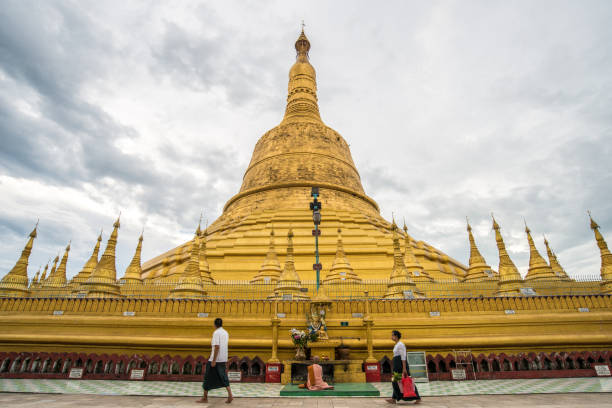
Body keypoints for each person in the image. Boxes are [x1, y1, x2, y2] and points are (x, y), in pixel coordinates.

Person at [198, 318, 233, 404]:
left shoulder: (216, 333)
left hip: (216, 359)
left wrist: (213, 360)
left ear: (215, 324)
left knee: (207, 377)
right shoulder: (225, 332)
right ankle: (230, 395)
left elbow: (217, 347)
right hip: (223, 358)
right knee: (223, 376)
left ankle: (205, 398)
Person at [386, 330, 421, 404]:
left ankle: (417, 397)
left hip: (401, 365)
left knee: (406, 380)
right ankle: (394, 398)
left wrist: (404, 368)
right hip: (397, 364)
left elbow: (403, 357)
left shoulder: (401, 345)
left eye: (392, 335)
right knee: (395, 381)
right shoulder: (396, 345)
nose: (391, 337)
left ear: (396, 336)